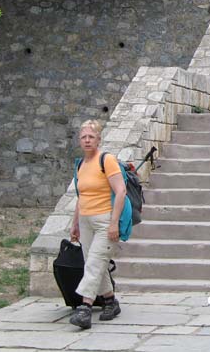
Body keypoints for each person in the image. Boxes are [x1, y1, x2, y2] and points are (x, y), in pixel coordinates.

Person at [69, 119, 126, 330]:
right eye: (83, 137)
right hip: (85, 220)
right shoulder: (80, 164)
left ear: (98, 139)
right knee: (95, 264)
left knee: (94, 263)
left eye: (91, 137)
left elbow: (121, 191)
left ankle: (84, 309)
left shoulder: (106, 160)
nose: (86, 140)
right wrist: (75, 223)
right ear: (79, 140)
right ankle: (110, 301)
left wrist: (114, 223)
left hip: (104, 221)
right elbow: (80, 196)